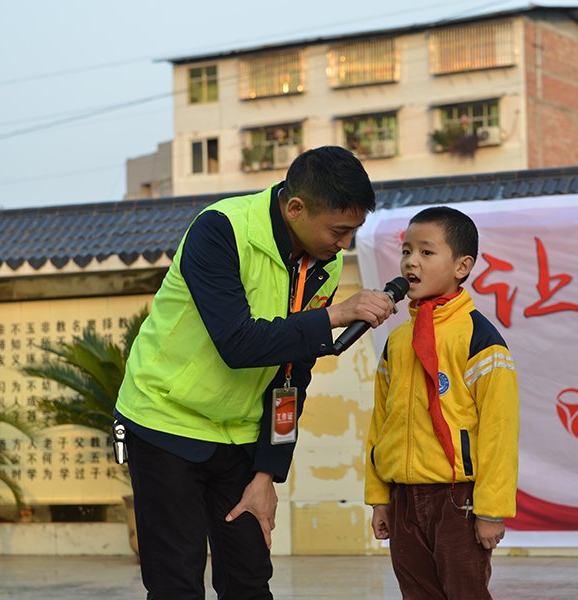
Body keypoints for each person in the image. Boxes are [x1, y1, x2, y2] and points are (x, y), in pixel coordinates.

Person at [114, 146, 396, 599]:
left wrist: (267, 471)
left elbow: (293, 374)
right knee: (176, 584)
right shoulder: (220, 229)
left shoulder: (324, 264)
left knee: (248, 579)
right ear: (296, 208)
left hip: (240, 437)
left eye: (353, 231)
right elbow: (238, 344)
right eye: (339, 231)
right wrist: (334, 316)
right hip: (165, 423)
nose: (344, 245)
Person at [364, 206, 519, 600]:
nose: (410, 262)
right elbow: (381, 423)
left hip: (456, 498)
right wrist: (380, 499)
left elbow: (499, 431)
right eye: (406, 251)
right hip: (402, 497)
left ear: (462, 266)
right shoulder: (398, 341)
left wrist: (491, 509)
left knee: (465, 591)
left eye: (426, 252)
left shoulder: (479, 339)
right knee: (416, 592)